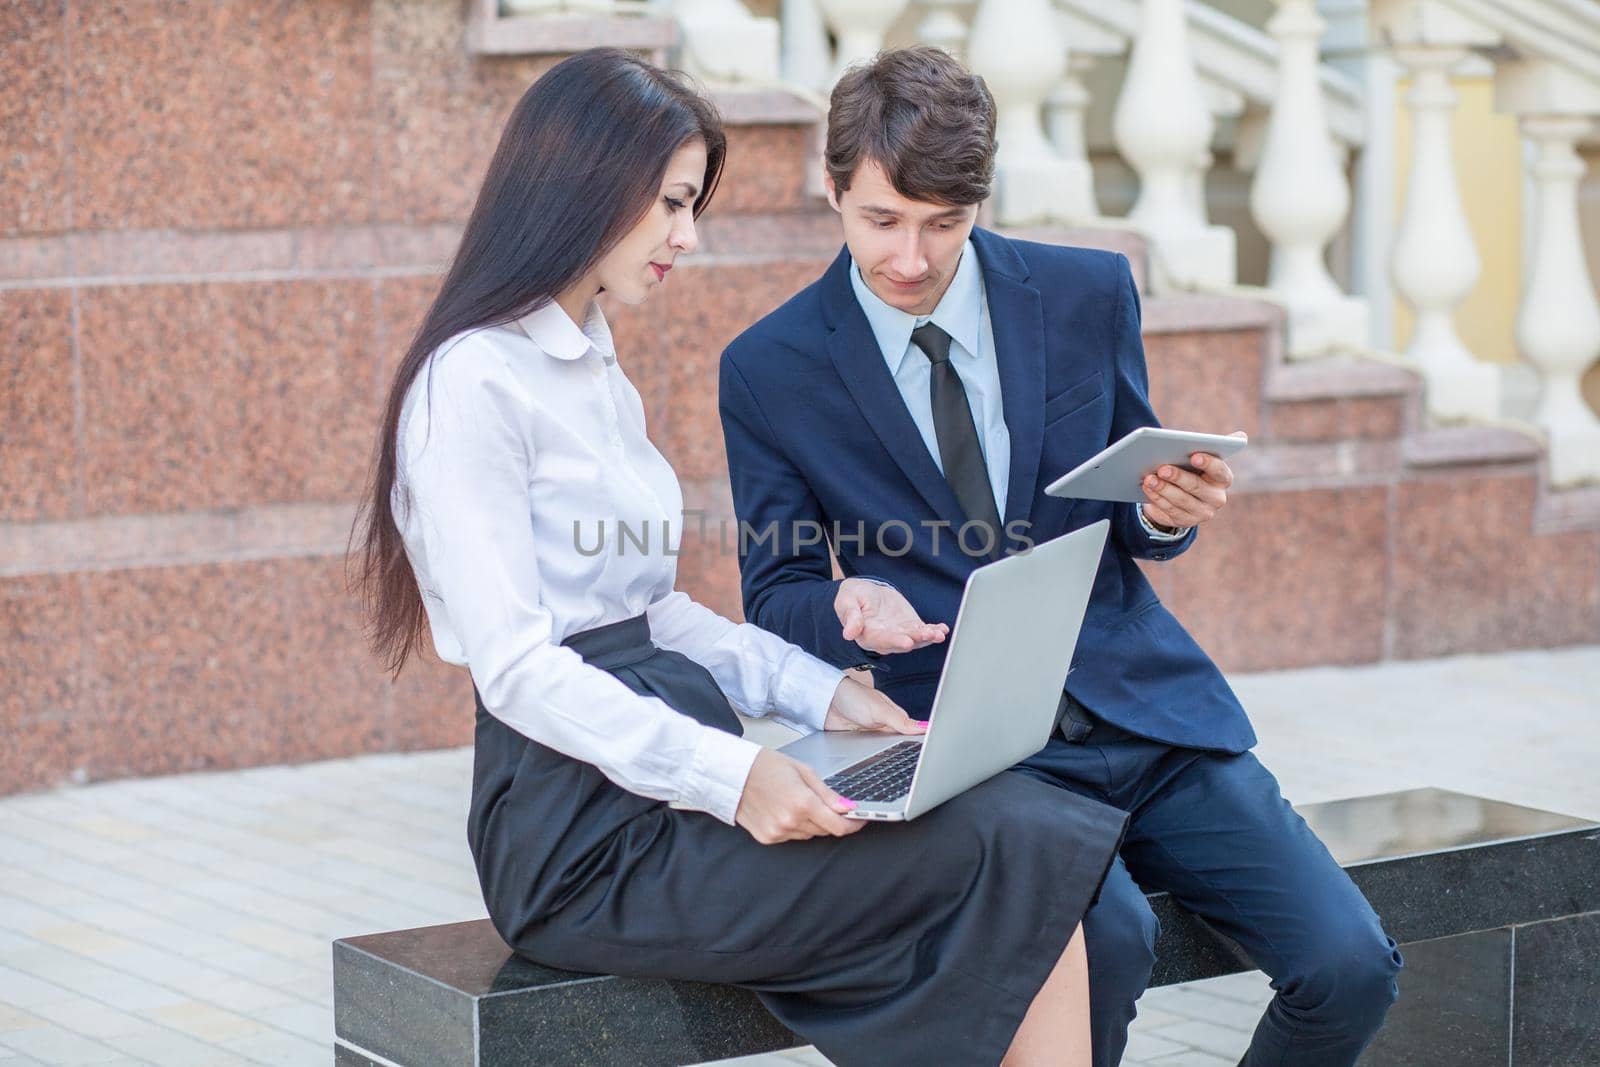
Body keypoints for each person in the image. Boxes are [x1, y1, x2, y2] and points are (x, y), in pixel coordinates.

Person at [354, 48, 1127, 1067]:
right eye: (672, 203)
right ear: (585, 185)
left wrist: (825, 697)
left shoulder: (590, 364)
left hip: (665, 777)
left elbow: (655, 612)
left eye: (693, 205)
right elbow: (518, 668)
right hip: (579, 837)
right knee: (1011, 846)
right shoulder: (474, 383)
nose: (687, 235)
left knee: (1017, 823)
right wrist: (735, 774)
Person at [719, 46, 1404, 1067]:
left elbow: (1130, 505)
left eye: (944, 223)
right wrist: (846, 603)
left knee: (1349, 961)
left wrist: (1168, 509)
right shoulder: (767, 367)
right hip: (978, 745)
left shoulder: (1087, 292)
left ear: (980, 200)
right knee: (1110, 942)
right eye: (882, 220)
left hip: (1149, 714)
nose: (910, 255)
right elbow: (775, 590)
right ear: (834, 189)